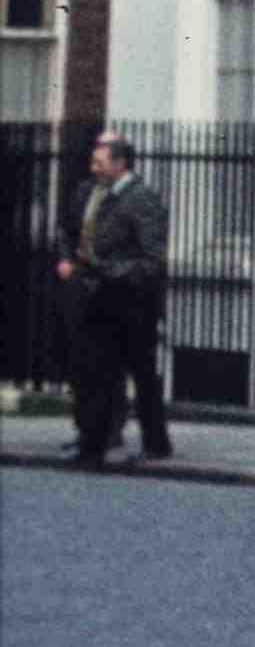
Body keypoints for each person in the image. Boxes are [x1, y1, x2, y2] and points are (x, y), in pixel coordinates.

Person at [49, 132, 170, 469]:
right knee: (94, 370)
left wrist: (107, 271)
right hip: (96, 296)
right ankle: (95, 439)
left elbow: (152, 259)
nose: (93, 168)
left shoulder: (141, 199)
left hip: (134, 302)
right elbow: (68, 231)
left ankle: (155, 442)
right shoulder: (92, 193)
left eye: (99, 162)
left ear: (120, 163)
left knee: (141, 372)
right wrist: (71, 263)